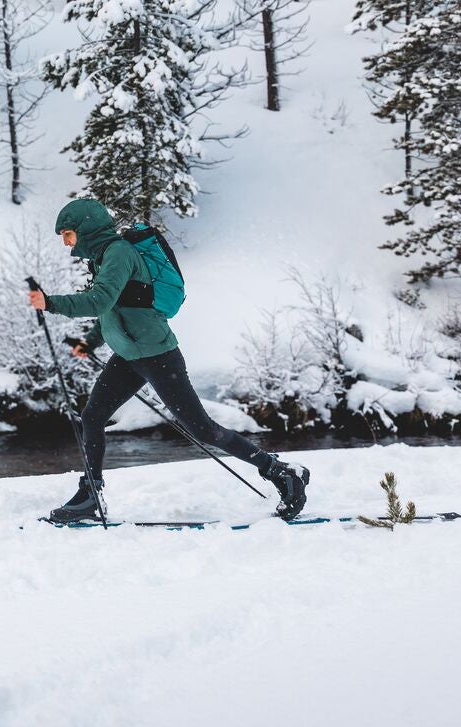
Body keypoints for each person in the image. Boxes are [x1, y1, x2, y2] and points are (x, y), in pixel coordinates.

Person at [30, 198, 309, 523]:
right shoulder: (103, 258)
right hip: (129, 355)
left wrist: (50, 302)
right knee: (92, 416)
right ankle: (90, 495)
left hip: (158, 356)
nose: (66, 242)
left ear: (87, 228)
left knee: (204, 430)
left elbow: (100, 299)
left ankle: (280, 471)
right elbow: (114, 307)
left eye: (68, 233)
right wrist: (89, 341)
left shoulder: (119, 253)